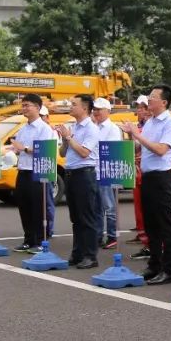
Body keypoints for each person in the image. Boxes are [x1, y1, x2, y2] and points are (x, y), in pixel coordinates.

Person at [120, 85, 171, 285]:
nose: (149, 100)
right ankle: (154, 265)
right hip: (147, 177)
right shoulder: (150, 122)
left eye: (152, 97)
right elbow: (140, 147)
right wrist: (131, 134)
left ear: (164, 102)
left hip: (162, 178)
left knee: (165, 225)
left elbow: (161, 150)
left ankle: (168, 270)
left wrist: (137, 134)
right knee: (151, 224)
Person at [57, 94, 102, 268]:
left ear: (84, 108)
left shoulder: (91, 128)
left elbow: (84, 152)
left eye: (74, 104)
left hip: (85, 174)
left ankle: (90, 256)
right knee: (75, 217)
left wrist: (69, 138)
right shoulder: (73, 127)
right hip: (71, 173)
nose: (70, 106)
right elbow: (62, 153)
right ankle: (77, 253)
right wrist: (65, 139)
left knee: (87, 217)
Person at [10, 94, 57, 253]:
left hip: (38, 172)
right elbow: (18, 148)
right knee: (24, 206)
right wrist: (13, 150)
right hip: (23, 170)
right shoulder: (23, 129)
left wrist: (23, 148)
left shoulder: (44, 129)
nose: (24, 108)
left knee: (39, 208)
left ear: (37, 107)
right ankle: (28, 240)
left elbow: (44, 151)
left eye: (27, 105)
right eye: (22, 105)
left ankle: (40, 241)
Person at [92, 98, 123, 250]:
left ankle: (112, 236)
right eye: (94, 109)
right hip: (94, 171)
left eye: (99, 109)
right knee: (97, 208)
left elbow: (110, 150)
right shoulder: (94, 127)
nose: (96, 112)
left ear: (108, 111)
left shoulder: (113, 128)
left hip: (107, 172)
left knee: (109, 206)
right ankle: (98, 236)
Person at [128, 95, 151, 247]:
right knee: (139, 208)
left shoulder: (152, 126)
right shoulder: (139, 126)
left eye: (144, 107)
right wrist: (131, 134)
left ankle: (151, 243)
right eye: (139, 107)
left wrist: (135, 135)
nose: (141, 110)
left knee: (149, 209)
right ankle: (144, 240)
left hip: (149, 172)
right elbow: (134, 147)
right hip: (137, 171)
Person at [39, 105, 57, 240]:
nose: (40, 118)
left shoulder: (50, 131)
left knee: (47, 201)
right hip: (34, 169)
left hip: (47, 168)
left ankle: (49, 229)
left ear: (47, 117)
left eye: (42, 116)